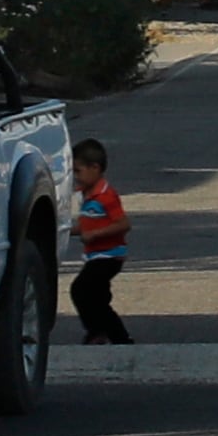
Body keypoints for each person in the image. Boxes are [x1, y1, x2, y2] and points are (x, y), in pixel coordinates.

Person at [69, 138, 133, 345]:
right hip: (95, 256)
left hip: (109, 256)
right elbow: (86, 226)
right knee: (98, 298)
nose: (75, 176)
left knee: (81, 290)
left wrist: (95, 234)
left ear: (94, 168)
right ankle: (113, 336)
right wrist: (66, 231)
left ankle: (100, 332)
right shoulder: (86, 194)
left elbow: (123, 224)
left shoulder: (106, 196)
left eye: (78, 171)